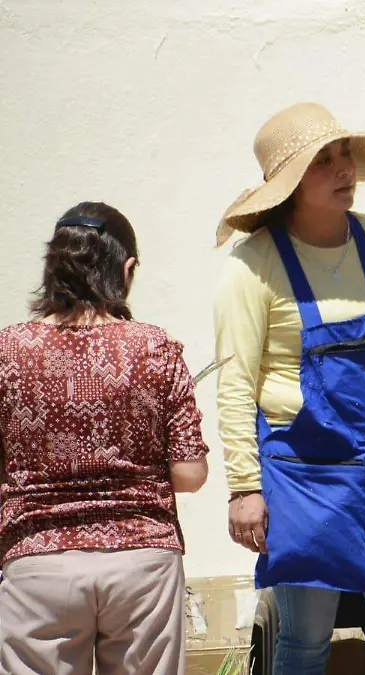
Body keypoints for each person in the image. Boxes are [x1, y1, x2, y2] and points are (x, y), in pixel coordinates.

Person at [213, 102, 365, 675]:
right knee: (304, 643)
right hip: (303, 481)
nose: (343, 168)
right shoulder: (252, 266)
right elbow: (235, 385)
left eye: (344, 153)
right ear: (292, 182)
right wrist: (244, 487)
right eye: (323, 161)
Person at [0, 202, 209, 675]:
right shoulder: (155, 347)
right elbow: (190, 473)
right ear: (126, 268)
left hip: (38, 558)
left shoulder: (7, 351)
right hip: (143, 560)